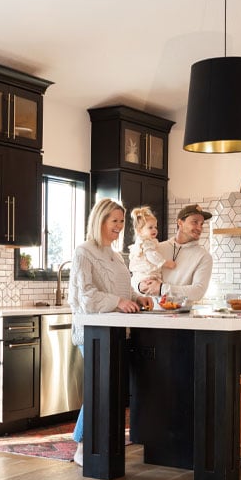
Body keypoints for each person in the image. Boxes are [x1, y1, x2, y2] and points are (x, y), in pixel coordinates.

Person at [68, 198, 153, 466]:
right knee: (99, 388)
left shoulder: (115, 256)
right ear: (100, 221)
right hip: (93, 331)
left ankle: (101, 444)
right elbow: (86, 296)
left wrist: (138, 298)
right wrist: (118, 302)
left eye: (121, 221)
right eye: (114, 221)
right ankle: (83, 445)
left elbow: (123, 292)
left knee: (112, 389)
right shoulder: (84, 252)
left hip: (115, 332)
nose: (119, 226)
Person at [137, 204, 213, 303]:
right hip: (151, 313)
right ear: (180, 223)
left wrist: (162, 289)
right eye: (195, 222)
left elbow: (198, 292)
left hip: (183, 317)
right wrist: (140, 286)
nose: (199, 228)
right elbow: (137, 272)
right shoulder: (157, 248)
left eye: (201, 224)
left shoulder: (204, 257)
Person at [128, 206, 175, 294]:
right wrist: (165, 263)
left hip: (140, 275)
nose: (154, 230)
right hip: (145, 274)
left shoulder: (143, 242)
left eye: (155, 227)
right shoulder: (146, 242)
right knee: (155, 288)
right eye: (150, 227)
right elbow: (152, 256)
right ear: (140, 231)